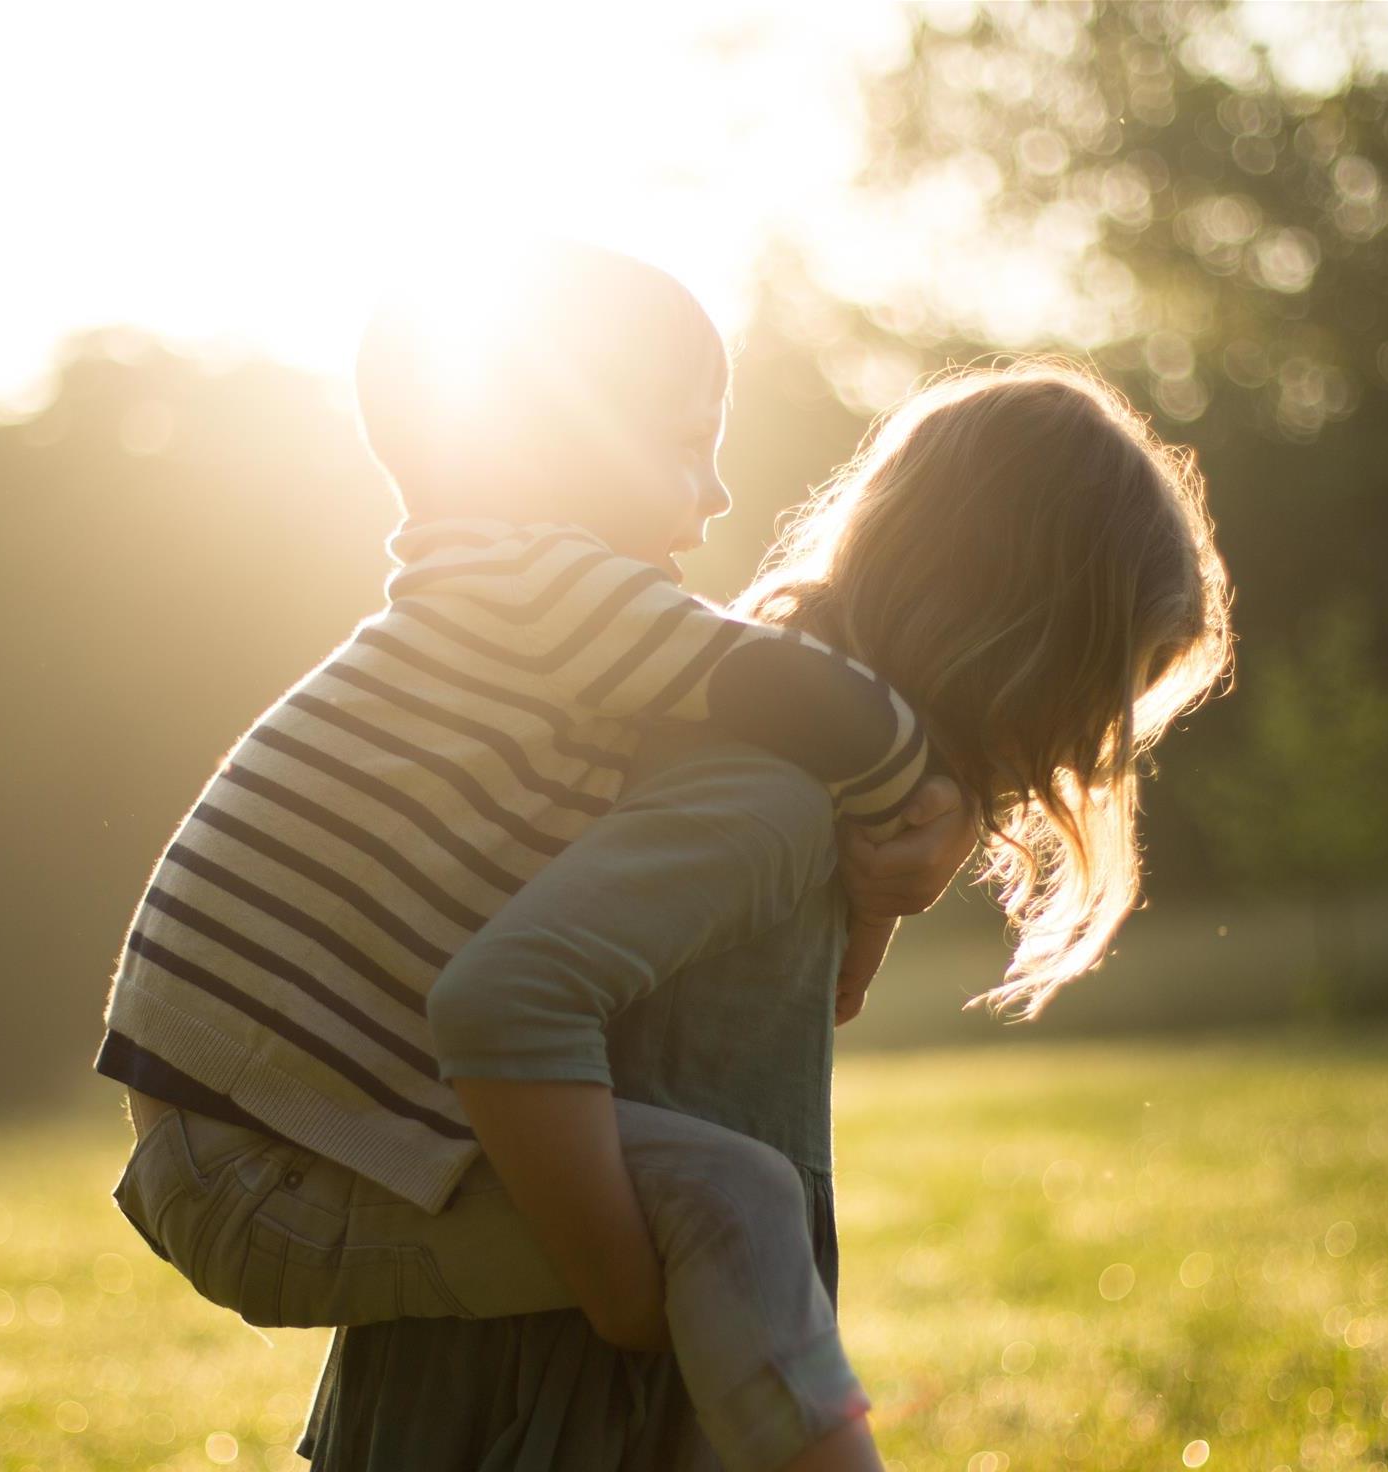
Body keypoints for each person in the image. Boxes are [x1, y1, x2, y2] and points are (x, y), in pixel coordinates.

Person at [98, 241, 975, 1472]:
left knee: (714, 1203)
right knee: (733, 1199)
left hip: (254, 1140)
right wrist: (920, 809)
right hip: (261, 1163)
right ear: (554, 447)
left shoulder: (502, 607)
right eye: (682, 441)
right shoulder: (537, 589)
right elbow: (803, 694)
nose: (716, 492)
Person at [297, 358, 1236, 1468]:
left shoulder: (806, 783)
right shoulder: (767, 798)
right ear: (1014, 640)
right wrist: (626, 1295)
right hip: (553, 1391)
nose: (1087, 747)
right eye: (1100, 689)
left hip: (606, 1362)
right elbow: (509, 997)